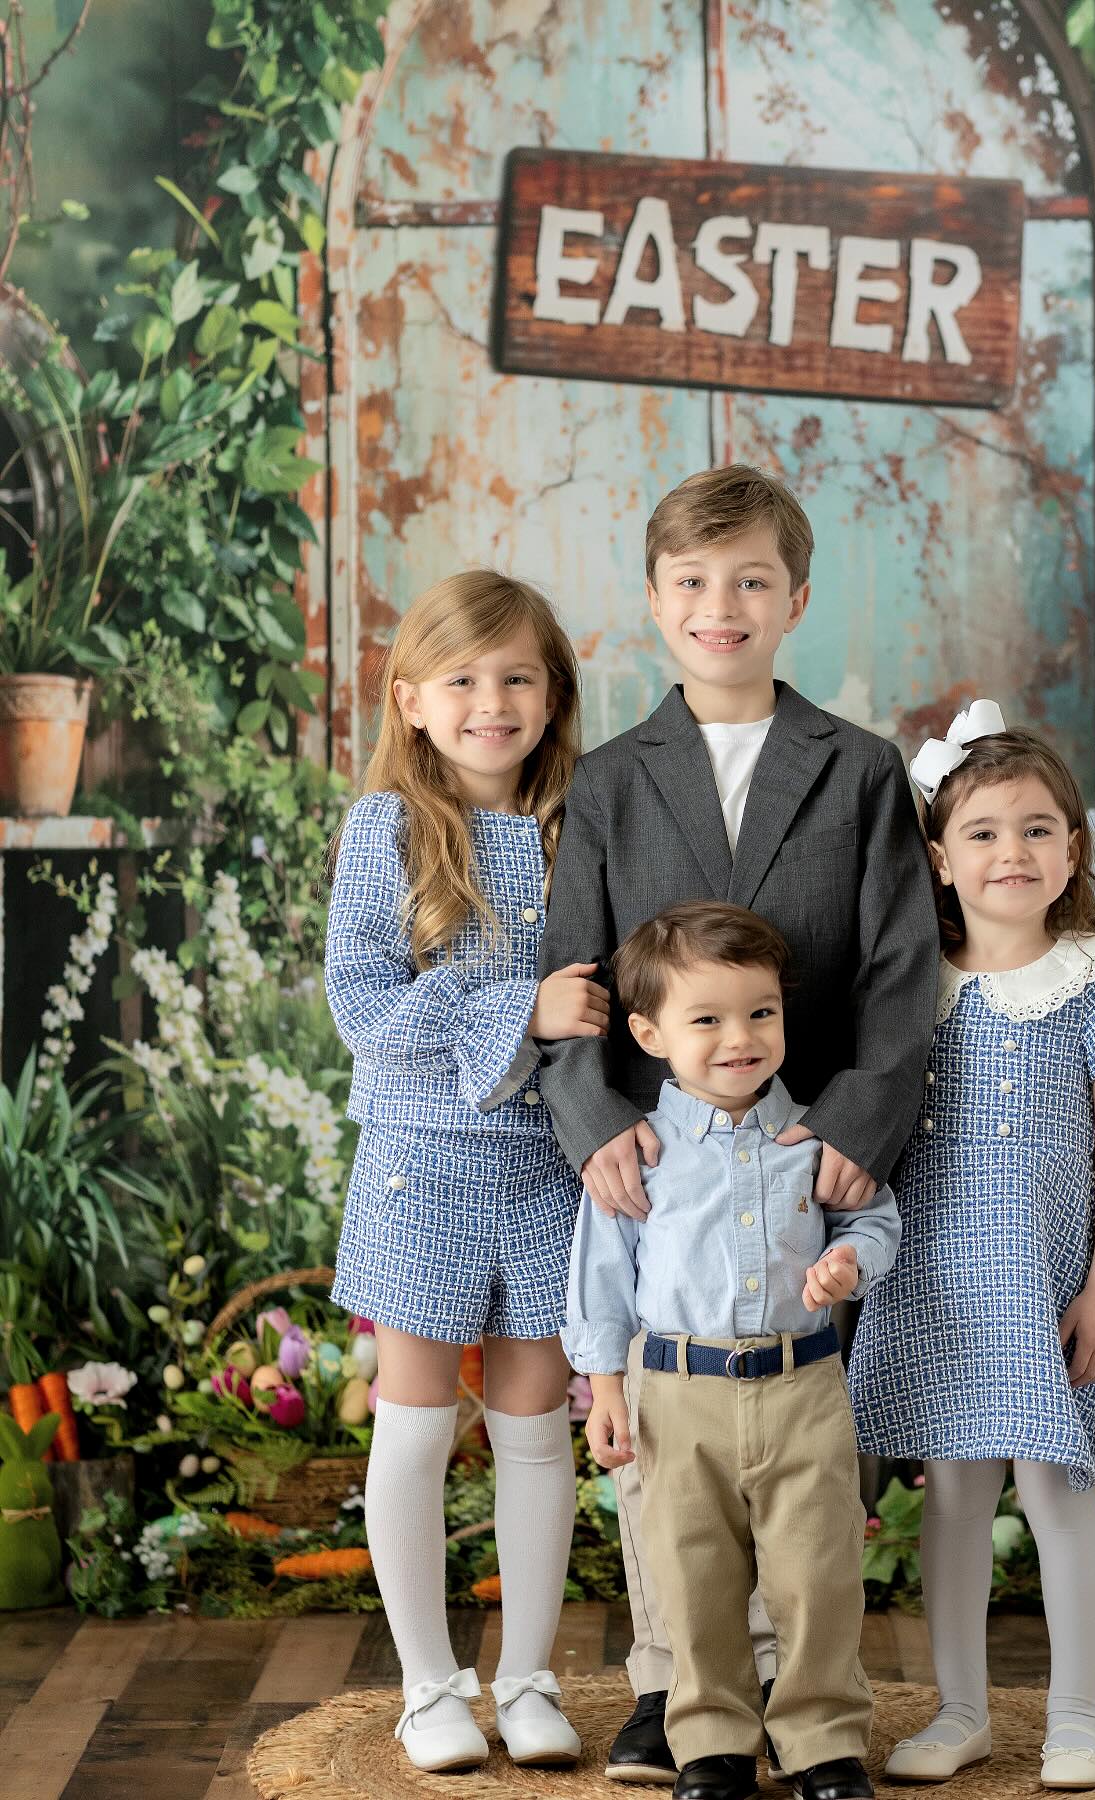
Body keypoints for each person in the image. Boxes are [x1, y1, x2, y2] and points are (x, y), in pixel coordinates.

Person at [537, 462, 938, 1783]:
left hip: (808, 1155)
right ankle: (671, 1688)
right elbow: (577, 971)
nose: (724, 605)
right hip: (662, 1155)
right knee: (670, 1460)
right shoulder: (607, 783)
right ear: (656, 602)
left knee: (801, 1455)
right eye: (696, 582)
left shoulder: (861, 770)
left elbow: (896, 970)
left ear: (796, 598)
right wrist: (597, 1117)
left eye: (752, 581)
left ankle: (799, 1697)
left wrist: (858, 1132)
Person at [847, 704, 1095, 1793]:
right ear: (940, 859)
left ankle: (1077, 1716)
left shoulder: (1091, 982)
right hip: (936, 1281)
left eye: (1039, 829)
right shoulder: (911, 991)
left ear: (1072, 851)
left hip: (1051, 1283)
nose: (1014, 852)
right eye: (985, 832)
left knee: (1055, 1489)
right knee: (951, 1496)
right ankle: (959, 1711)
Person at [326, 571, 608, 1774]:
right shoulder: (383, 830)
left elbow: (602, 994)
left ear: (552, 695)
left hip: (549, 1170)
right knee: (417, 1428)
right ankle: (430, 1688)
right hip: (419, 1171)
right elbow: (365, 1008)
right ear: (412, 700)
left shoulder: (580, 830)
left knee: (537, 1430)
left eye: (516, 678)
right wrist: (518, 1010)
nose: (491, 701)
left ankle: (530, 1678)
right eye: (463, 680)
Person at [566, 900, 901, 1800]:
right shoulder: (637, 1154)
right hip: (678, 1392)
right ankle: (710, 1740)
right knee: (693, 1574)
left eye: (760, 1013)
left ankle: (821, 1742)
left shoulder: (815, 1139)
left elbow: (873, 1218)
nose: (738, 1038)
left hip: (801, 1387)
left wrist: (847, 1261)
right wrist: (605, 1393)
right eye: (705, 1019)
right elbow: (598, 1281)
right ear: (649, 1032)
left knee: (818, 1575)